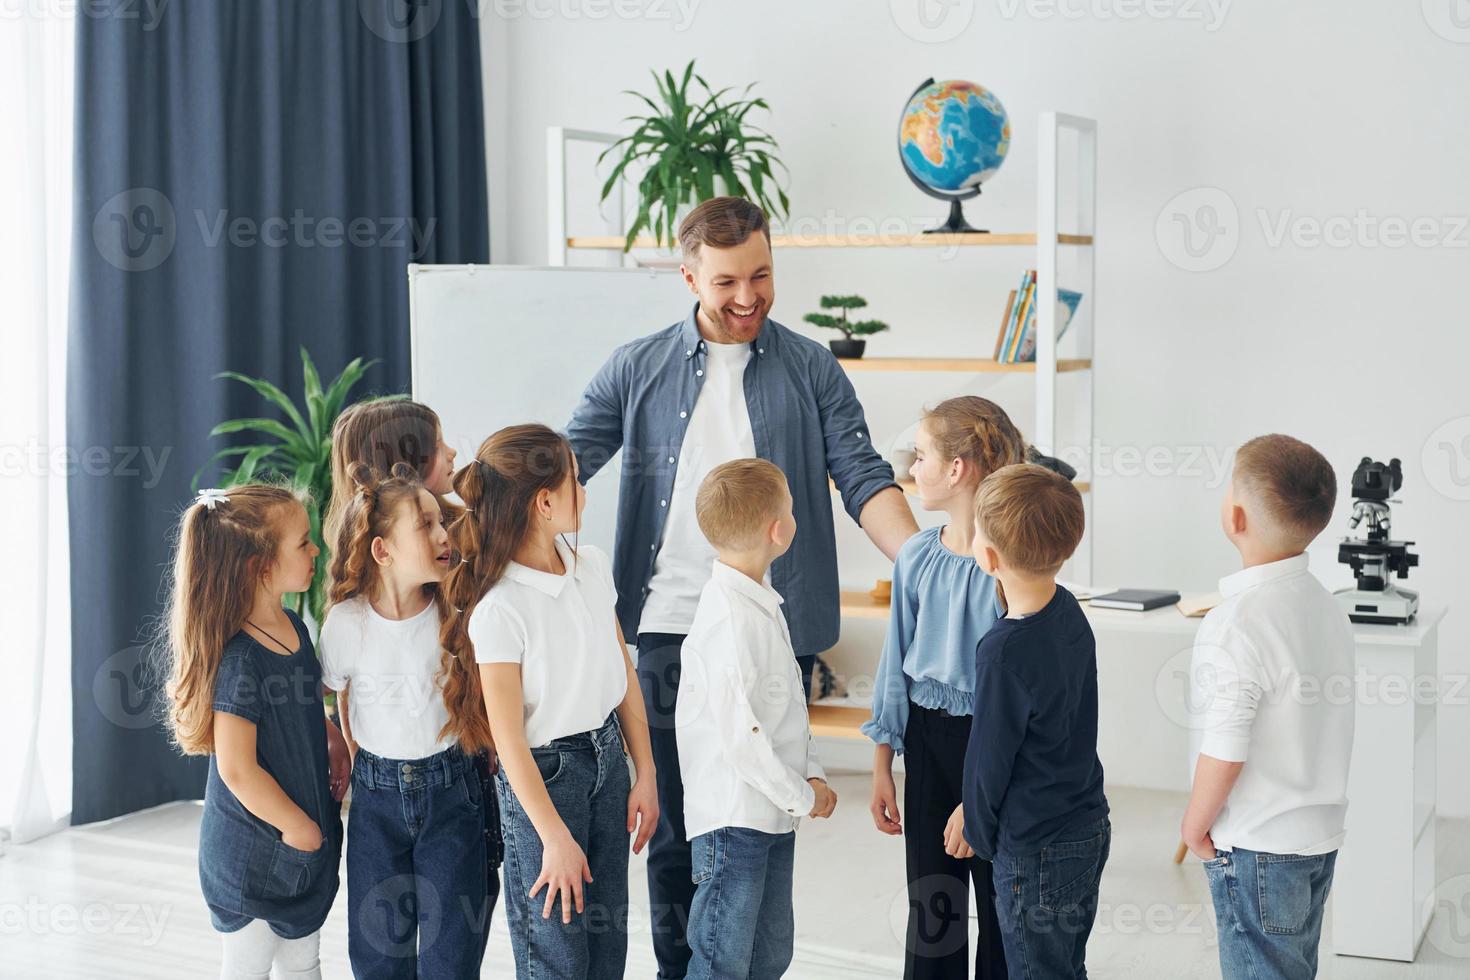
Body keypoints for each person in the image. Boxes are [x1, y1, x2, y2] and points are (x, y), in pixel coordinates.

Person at [566, 195, 917, 977]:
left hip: (769, 625)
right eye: (726, 281)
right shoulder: (636, 366)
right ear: (688, 275)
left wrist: (923, 561)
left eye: (761, 275)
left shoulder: (810, 366)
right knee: (676, 824)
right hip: (665, 628)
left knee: (759, 818)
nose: (748, 296)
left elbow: (862, 474)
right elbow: (559, 466)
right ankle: (678, 968)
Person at [440, 423, 659, 980]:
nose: (583, 492)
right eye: (577, 481)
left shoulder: (592, 567)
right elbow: (508, 739)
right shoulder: (500, 608)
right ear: (544, 502)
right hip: (545, 783)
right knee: (558, 956)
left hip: (608, 763)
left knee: (607, 949)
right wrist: (553, 837)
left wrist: (646, 770)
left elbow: (622, 670)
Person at [1180, 434, 1354, 980]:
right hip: (1316, 838)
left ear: (1235, 517)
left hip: (1255, 846)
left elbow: (1226, 748)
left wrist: (1193, 824)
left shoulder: (1235, 622)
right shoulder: (1326, 607)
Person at [864, 397, 1024, 980]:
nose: (911, 471)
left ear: (957, 470)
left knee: (1001, 906)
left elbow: (1017, 694)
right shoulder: (916, 557)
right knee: (933, 909)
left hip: (998, 751)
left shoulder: (1011, 566)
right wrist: (884, 764)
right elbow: (893, 669)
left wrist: (980, 793)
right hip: (929, 746)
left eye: (922, 456)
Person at [161, 484, 349, 979]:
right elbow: (238, 769)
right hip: (252, 853)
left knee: (303, 961)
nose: (315, 551)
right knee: (248, 967)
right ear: (257, 564)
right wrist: (300, 829)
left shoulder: (293, 626)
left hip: (298, 842)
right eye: (303, 543)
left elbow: (305, 702)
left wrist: (330, 734)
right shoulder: (241, 660)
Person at [319, 462, 491, 977]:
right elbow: (333, 696)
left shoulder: (456, 611)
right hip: (375, 801)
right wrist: (348, 750)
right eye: (427, 525)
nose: (445, 536)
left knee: (451, 955)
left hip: (453, 794)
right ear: (382, 550)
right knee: (378, 954)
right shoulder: (346, 624)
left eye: (443, 522)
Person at [675, 459, 838, 980]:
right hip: (734, 820)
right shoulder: (729, 618)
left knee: (769, 955)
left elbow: (787, 703)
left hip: (771, 814)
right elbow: (741, 735)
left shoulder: (760, 602)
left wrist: (810, 773)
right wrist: (802, 795)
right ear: (777, 529)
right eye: (790, 506)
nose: (794, 515)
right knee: (723, 956)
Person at [960, 464, 1110, 980]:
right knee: (1065, 965)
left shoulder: (1002, 651)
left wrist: (977, 832)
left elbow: (988, 758)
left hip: (1033, 849)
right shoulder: (1068, 609)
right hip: (1087, 826)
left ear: (989, 555)